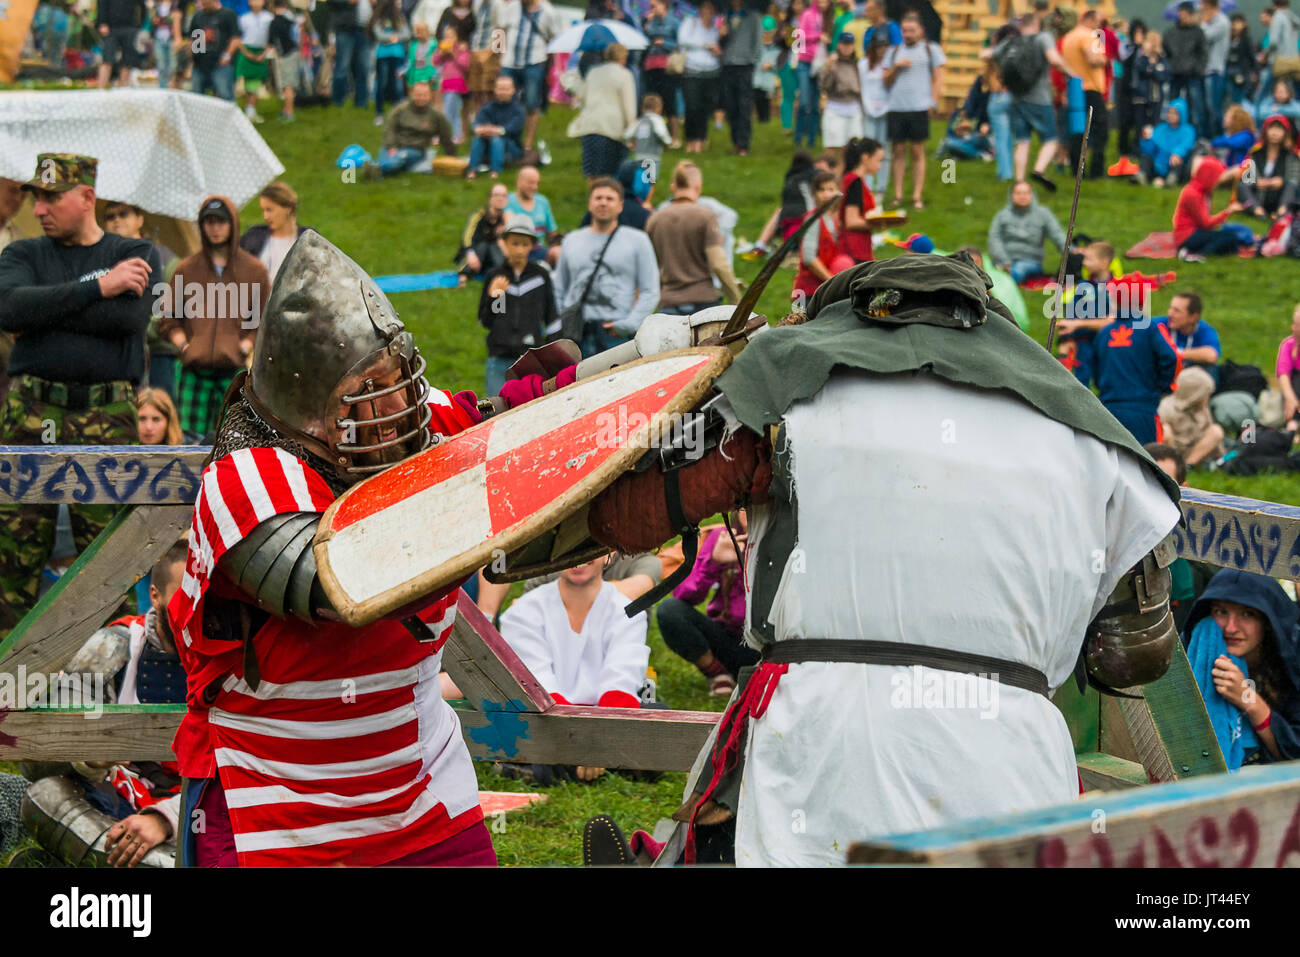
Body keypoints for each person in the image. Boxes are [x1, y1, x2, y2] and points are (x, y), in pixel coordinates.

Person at [583, 252, 1184, 866]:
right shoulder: (1090, 436)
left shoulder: (786, 392)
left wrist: (665, 382)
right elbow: (1134, 655)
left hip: (822, 739)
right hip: (1007, 760)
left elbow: (623, 519)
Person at [170, 229, 559, 867]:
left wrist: (642, 368)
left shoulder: (411, 421)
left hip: (420, 792)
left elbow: (509, 417)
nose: (403, 409)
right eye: (372, 395)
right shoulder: (243, 479)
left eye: (401, 382)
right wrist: (484, 503)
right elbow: (350, 582)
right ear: (312, 412)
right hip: (277, 800)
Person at [0, 155, 160, 637]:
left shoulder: (136, 250)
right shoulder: (22, 254)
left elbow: (126, 321)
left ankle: (107, 685)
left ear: (87, 197)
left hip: (106, 416)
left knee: (104, 561)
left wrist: (47, 306)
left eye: (52, 197)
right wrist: (100, 286)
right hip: (31, 415)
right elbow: (9, 309)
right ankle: (10, 689)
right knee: (13, 558)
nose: (41, 207)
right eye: (36, 197)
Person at [498, 557, 653, 784]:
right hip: (547, 717)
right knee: (513, 725)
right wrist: (584, 745)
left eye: (589, 551)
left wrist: (597, 742)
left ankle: (545, 770)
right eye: (570, 552)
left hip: (608, 718)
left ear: (607, 555)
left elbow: (621, 682)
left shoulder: (629, 611)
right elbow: (539, 686)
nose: (580, 560)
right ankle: (607, 766)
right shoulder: (522, 612)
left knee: (656, 718)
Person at [161, 196, 270, 442]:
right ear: (201, 226)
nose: (215, 228)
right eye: (209, 222)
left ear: (232, 224)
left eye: (221, 222)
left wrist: (245, 345)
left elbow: (263, 321)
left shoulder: (254, 270)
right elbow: (168, 318)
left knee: (234, 439)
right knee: (188, 442)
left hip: (233, 373)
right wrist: (183, 345)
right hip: (192, 373)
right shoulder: (186, 268)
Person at [1184, 570, 1300, 768]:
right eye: (1221, 611)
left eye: (1248, 614)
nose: (1231, 628)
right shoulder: (1196, 656)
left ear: (1268, 620)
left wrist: (1249, 699)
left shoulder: (1293, 663)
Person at [554, 178, 660, 359]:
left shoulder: (638, 240)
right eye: (598, 198)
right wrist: (564, 319)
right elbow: (558, 288)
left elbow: (650, 290)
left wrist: (629, 324)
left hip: (617, 337)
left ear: (620, 206)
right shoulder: (572, 240)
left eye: (609, 198)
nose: (603, 202)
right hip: (576, 335)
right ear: (590, 203)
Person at [657, 514, 758, 697]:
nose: (752, 510)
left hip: (768, 648)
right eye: (744, 505)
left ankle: (763, 675)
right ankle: (718, 672)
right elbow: (684, 594)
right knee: (670, 611)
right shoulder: (723, 537)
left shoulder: (785, 539)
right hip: (727, 639)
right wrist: (714, 562)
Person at [1086, 282, 1182, 444]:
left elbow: (1093, 369)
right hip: (1142, 410)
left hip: (1108, 410)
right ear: (1141, 302)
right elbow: (1173, 358)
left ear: (1115, 302)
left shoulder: (1104, 333)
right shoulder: (1150, 329)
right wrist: (1164, 386)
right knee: (1145, 462)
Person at [102, 200, 179, 396]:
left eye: (123, 214)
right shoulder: (101, 259)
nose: (117, 220)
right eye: (110, 217)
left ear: (139, 219)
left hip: (157, 353)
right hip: (115, 350)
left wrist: (141, 324)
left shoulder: (166, 259)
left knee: (157, 415)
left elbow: (174, 307)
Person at [990, 13, 1076, 189]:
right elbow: (1054, 59)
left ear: (1021, 26)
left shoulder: (1012, 42)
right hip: (1040, 100)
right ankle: (1038, 169)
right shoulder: (1043, 37)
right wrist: (1071, 73)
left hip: (1016, 98)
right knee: (1051, 139)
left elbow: (992, 54)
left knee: (1022, 142)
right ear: (1037, 25)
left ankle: (1020, 183)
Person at [646, 161, 742, 315]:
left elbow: (650, 268)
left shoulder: (655, 220)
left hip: (668, 303)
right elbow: (718, 264)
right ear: (698, 186)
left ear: (673, 187)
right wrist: (736, 299)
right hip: (703, 301)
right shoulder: (706, 216)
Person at [479, 214, 555, 395]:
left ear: (532, 245)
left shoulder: (540, 276)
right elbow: (486, 321)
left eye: (525, 244)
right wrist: (496, 297)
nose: (520, 250)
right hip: (500, 359)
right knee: (497, 410)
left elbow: (551, 317)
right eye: (514, 243)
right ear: (505, 242)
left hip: (531, 359)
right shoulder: (495, 275)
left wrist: (550, 357)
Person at [882, 13, 944, 210]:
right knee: (897, 151)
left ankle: (917, 195)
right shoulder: (893, 52)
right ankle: (898, 195)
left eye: (912, 30)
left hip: (918, 107)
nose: (908, 34)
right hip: (896, 106)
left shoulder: (930, 49)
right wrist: (896, 68)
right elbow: (885, 81)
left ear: (921, 31)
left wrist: (933, 101)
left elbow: (938, 76)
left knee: (918, 151)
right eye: (905, 31)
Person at [495, 0, 562, 150]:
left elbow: (555, 37)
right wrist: (498, 54)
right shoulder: (512, 7)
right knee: (504, 100)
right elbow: (499, 30)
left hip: (534, 61)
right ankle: (505, 137)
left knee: (532, 103)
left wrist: (548, 58)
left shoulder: (548, 12)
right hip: (509, 61)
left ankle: (528, 142)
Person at [567, 42, 638, 179]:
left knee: (591, 172)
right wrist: (632, 131)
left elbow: (583, 98)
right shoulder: (625, 75)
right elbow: (629, 107)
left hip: (589, 126)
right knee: (609, 174)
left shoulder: (593, 72)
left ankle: (592, 198)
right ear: (623, 57)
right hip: (612, 129)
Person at [1054, 240, 1118, 384]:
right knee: (1079, 382)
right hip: (1082, 344)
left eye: (1089, 259)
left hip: (1107, 344)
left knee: (1106, 382)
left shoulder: (1115, 289)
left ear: (1104, 263)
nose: (1084, 263)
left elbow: (1113, 320)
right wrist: (1066, 338)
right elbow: (1071, 312)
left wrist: (1078, 324)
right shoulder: (1083, 286)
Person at [370, 80, 459, 177]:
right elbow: (389, 128)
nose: (421, 98)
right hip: (394, 146)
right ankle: (377, 170)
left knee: (398, 159)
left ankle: (375, 169)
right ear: (412, 94)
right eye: (418, 95)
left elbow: (445, 136)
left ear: (430, 96)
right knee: (387, 158)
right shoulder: (400, 109)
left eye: (424, 95)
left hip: (415, 149)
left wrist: (452, 157)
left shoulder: (436, 115)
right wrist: (391, 146)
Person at [1060, 8, 1109, 178]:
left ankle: (1076, 170)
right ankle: (1097, 170)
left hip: (1074, 88)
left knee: (1077, 130)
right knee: (1101, 128)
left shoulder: (1068, 37)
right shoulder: (1088, 35)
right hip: (1090, 87)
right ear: (1090, 20)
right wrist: (1103, 59)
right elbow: (1093, 58)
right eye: (1098, 22)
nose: (1099, 26)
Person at [986, 179, 1066, 284]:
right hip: (1003, 261)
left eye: (1026, 193)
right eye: (1018, 193)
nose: (1022, 196)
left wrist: (1072, 251)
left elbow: (1057, 235)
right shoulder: (1002, 215)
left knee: (1019, 269)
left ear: (1032, 195)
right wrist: (1005, 262)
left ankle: (1002, 284)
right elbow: (994, 239)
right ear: (1011, 195)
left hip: (1031, 262)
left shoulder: (1043, 214)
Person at [793, 169, 851, 304]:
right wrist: (832, 281)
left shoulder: (836, 221)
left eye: (831, 189)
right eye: (822, 190)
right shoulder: (813, 220)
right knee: (800, 323)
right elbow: (809, 258)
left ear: (838, 192)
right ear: (815, 194)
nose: (826, 194)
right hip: (807, 293)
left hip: (825, 291)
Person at [1174, 155, 1245, 259]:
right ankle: (1199, 254)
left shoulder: (1202, 191)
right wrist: (1228, 212)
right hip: (1187, 236)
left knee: (1231, 240)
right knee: (1229, 237)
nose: (1216, 182)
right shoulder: (1192, 194)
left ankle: (1197, 252)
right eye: (1215, 178)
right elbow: (1206, 224)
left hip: (1194, 232)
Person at [238, 181, 307, 284]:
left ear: (287, 208)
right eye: (263, 210)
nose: (265, 216)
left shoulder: (307, 239)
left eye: (269, 210)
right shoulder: (253, 236)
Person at [1159, 365, 1225, 466]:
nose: (1207, 398)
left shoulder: (1202, 409)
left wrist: (1220, 454)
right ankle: (1174, 464)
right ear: (1194, 395)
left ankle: (1189, 465)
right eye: (1205, 395)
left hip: (1193, 450)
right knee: (1165, 430)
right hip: (1172, 449)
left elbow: (1207, 429)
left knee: (1216, 431)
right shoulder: (1166, 408)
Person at [679, 0, 723, 154]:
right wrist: (705, 45)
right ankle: (690, 139)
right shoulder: (691, 23)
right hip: (692, 71)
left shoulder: (716, 30)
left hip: (711, 72)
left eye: (711, 8)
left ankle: (701, 139)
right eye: (705, 7)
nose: (708, 11)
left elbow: (720, 46)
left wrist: (718, 48)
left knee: (704, 108)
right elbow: (683, 40)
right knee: (692, 106)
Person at [719, 0, 761, 156]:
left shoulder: (753, 17)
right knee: (731, 106)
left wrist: (753, 61)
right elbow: (721, 44)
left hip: (745, 66)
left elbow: (758, 42)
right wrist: (722, 36)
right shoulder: (725, 17)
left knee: (744, 107)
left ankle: (744, 144)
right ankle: (735, 142)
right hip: (728, 64)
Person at [1238, 114, 1300, 219]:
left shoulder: (1291, 155)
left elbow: (1294, 179)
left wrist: (1281, 181)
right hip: (1259, 194)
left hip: (1279, 196)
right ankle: (1257, 210)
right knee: (1242, 185)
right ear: (1265, 131)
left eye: (1279, 129)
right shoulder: (1256, 152)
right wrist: (1257, 181)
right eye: (1272, 128)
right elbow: (1247, 177)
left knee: (1291, 186)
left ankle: (1282, 210)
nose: (1275, 133)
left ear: (1285, 133)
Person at [467, 74, 527, 179]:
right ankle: (472, 170)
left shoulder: (519, 110)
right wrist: (482, 130)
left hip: (511, 149)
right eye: (500, 89)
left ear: (513, 90)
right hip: (488, 145)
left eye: (506, 89)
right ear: (495, 90)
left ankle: (495, 171)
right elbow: (477, 126)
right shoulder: (487, 107)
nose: (503, 92)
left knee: (497, 139)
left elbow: (512, 129)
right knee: (478, 138)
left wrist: (494, 130)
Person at [642, 0, 683, 149]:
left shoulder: (674, 22)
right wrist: (645, 25)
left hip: (668, 67)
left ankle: (674, 138)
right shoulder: (651, 22)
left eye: (655, 6)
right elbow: (644, 41)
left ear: (664, 5)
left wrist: (664, 43)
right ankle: (654, 137)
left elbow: (681, 43)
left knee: (670, 102)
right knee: (652, 101)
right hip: (652, 66)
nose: (652, 9)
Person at [838, 135, 885, 264]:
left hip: (854, 247)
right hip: (854, 249)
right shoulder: (855, 182)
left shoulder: (850, 179)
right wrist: (880, 223)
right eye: (878, 160)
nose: (880, 166)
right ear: (865, 158)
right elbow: (851, 221)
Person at [1165, 2, 1208, 134]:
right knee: (1172, 106)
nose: (1182, 16)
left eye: (1185, 14)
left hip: (1193, 75)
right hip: (1175, 74)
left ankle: (1196, 135)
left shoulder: (1198, 32)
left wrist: (1198, 69)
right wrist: (1170, 66)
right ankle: (1172, 134)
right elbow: (1166, 51)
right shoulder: (1171, 32)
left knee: (1195, 108)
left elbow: (1203, 53)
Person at [820, 30, 864, 160]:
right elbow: (824, 85)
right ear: (839, 45)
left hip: (853, 107)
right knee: (832, 147)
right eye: (844, 44)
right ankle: (828, 178)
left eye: (849, 44)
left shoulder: (858, 63)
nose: (847, 47)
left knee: (850, 150)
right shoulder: (832, 62)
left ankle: (844, 178)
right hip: (835, 106)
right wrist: (828, 68)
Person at [858, 29, 893, 190]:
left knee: (884, 150)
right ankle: (867, 185)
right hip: (869, 110)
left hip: (886, 111)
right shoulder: (864, 64)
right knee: (868, 150)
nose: (882, 50)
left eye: (885, 46)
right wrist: (866, 107)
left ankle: (882, 186)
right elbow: (862, 87)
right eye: (879, 46)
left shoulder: (891, 65)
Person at [1161, 291, 1221, 384]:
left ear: (1193, 317)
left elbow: (1211, 355)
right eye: (1171, 308)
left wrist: (1176, 352)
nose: (1170, 314)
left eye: (1176, 311)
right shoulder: (1161, 324)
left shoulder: (1204, 330)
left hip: (1192, 380)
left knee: (1209, 367)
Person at [793, 0, 831, 149]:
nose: (823, 3)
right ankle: (798, 137)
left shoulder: (828, 18)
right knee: (804, 102)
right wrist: (818, 36)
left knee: (815, 104)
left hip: (820, 63)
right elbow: (799, 36)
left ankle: (812, 140)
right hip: (805, 63)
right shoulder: (808, 14)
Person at [506, 164, 560, 264]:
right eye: (530, 183)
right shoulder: (507, 201)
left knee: (559, 252)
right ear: (519, 182)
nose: (535, 187)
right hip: (517, 251)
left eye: (537, 183)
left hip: (540, 250)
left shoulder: (542, 201)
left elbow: (552, 232)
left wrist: (557, 245)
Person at [456, 181, 510, 281]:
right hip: (475, 251)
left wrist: (507, 226)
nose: (500, 198)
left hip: (492, 255)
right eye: (497, 195)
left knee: (496, 249)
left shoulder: (506, 217)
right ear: (490, 198)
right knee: (483, 245)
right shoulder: (479, 215)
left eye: (504, 196)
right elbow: (467, 237)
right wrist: (470, 253)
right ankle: (463, 277)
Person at [1138, 98, 1198, 187]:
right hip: (1157, 164)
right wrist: (1146, 140)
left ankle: (1172, 179)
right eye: (1169, 112)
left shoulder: (1188, 130)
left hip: (1175, 164)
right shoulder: (1160, 129)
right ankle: (1142, 175)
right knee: (1145, 158)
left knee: (1178, 162)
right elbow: (1149, 151)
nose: (1171, 115)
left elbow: (1186, 145)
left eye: (1175, 113)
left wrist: (1177, 153)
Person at [189, 0, 240, 101]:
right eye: (203, 4)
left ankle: (227, 117)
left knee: (224, 96)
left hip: (220, 64)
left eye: (207, 4)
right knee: (196, 97)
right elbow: (192, 40)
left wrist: (227, 56)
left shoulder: (228, 14)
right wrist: (192, 59)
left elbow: (235, 39)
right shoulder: (198, 16)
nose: (205, 7)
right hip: (200, 65)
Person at [371, 0, 412, 125]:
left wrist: (392, 38)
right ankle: (379, 113)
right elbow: (378, 34)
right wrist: (394, 37)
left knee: (398, 85)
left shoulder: (400, 18)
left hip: (398, 55)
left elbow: (407, 34)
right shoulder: (379, 19)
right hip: (382, 55)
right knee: (381, 84)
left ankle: (399, 114)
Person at [236, 0, 274, 124]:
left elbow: (271, 38)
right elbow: (238, 38)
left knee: (255, 84)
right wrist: (247, 54)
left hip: (261, 51)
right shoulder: (244, 18)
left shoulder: (269, 18)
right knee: (247, 83)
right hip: (247, 51)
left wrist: (263, 54)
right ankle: (248, 110)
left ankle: (251, 111)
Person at [328, 0, 371, 108]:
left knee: (363, 69)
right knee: (342, 67)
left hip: (365, 30)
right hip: (345, 29)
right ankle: (338, 101)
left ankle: (361, 103)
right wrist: (348, 2)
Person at [1116, 19, 1149, 157]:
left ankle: (1136, 149)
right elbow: (1124, 59)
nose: (1139, 35)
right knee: (1124, 120)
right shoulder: (1126, 45)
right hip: (1126, 87)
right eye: (1136, 32)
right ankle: (1123, 149)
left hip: (1140, 89)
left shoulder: (1146, 48)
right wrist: (1136, 46)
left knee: (1139, 120)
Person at [97, 0, 145, 89]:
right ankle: (101, 89)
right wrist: (102, 23)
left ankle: (123, 88)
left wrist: (138, 25)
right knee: (107, 59)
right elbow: (101, 4)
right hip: (111, 28)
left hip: (130, 27)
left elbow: (142, 6)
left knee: (128, 61)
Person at [435, 25, 472, 143]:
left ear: (457, 37)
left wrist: (454, 54)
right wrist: (441, 53)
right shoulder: (443, 49)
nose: (448, 38)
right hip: (446, 83)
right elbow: (435, 62)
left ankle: (442, 135)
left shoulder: (461, 49)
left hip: (457, 83)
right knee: (455, 112)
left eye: (451, 36)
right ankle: (458, 135)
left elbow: (465, 65)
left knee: (447, 111)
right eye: (446, 36)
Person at [1201, 0, 1231, 136]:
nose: (1201, 10)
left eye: (1203, 7)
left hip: (1215, 70)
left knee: (1214, 108)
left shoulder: (1222, 22)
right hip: (1206, 71)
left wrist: (1203, 22)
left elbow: (1204, 37)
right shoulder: (1213, 22)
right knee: (1206, 109)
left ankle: (1217, 138)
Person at [268, 0, 301, 122]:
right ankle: (285, 110)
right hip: (293, 53)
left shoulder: (275, 22)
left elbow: (271, 42)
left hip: (285, 55)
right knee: (288, 84)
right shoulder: (291, 20)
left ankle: (289, 113)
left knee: (288, 86)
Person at [627, 93, 672, 165]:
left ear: (643, 108)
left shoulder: (640, 121)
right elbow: (661, 133)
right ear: (659, 108)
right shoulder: (657, 120)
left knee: (640, 174)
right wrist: (667, 142)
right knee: (651, 175)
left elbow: (628, 134)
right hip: (653, 156)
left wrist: (629, 143)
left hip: (639, 155)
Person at [1275, 302, 1300, 430]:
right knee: (1296, 380)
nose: (1292, 328)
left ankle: (1292, 425)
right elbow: (1283, 373)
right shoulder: (1288, 344)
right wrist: (1290, 398)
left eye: (1296, 325)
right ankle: (1293, 423)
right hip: (1296, 392)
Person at [753, 15, 781, 125]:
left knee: (765, 100)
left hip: (769, 78)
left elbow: (781, 60)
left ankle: (765, 120)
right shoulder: (756, 44)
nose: (766, 35)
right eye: (764, 32)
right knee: (757, 98)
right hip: (756, 77)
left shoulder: (777, 46)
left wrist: (772, 64)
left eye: (769, 32)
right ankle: (760, 120)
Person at [1226, 13, 1258, 105]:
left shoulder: (1246, 39)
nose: (1235, 25)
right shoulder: (1229, 39)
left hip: (1242, 72)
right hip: (1229, 70)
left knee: (1240, 97)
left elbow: (1252, 57)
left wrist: (1255, 72)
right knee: (1229, 97)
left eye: (1238, 23)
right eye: (1233, 23)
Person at [408, 20, 440, 88]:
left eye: (420, 30)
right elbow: (409, 62)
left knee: (428, 96)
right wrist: (403, 71)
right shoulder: (413, 46)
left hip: (429, 75)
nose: (418, 32)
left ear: (427, 31)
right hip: (416, 74)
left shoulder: (434, 45)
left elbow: (439, 63)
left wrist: (434, 76)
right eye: (417, 30)